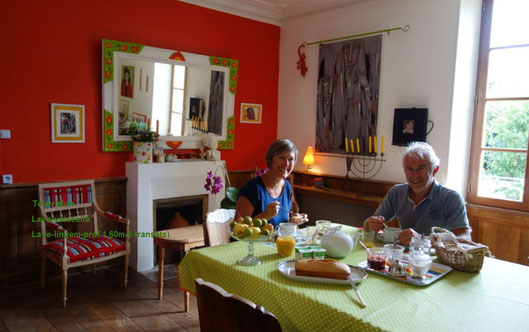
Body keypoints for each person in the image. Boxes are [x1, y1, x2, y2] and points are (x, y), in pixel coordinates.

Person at [364, 141, 471, 246]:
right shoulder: (396, 192)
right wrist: (369, 224)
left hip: (436, 260)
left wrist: (422, 239)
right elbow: (373, 221)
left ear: (435, 170)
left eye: (421, 168)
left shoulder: (451, 198)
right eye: (409, 169)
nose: (415, 175)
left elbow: (465, 238)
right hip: (404, 256)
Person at [236, 139, 308, 227]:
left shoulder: (287, 187)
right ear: (270, 159)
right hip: (252, 241)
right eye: (281, 158)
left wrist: (292, 220)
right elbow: (237, 229)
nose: (286, 164)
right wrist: (264, 216)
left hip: (277, 240)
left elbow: (280, 223)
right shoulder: (252, 188)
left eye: (290, 159)